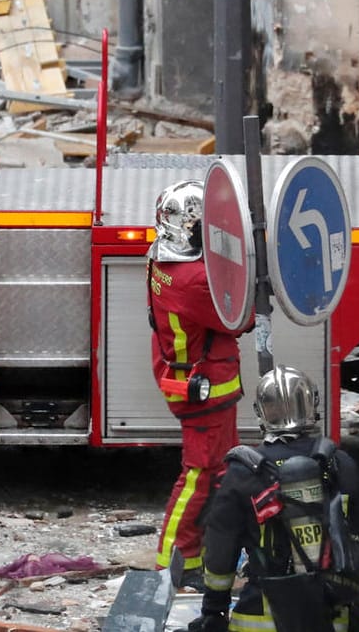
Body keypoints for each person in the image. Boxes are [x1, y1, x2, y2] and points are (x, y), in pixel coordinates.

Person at [189, 367, 359, 632]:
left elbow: (220, 547)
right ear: (311, 405)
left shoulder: (243, 473)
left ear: (261, 412)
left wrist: (214, 607)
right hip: (333, 614)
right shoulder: (339, 465)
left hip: (260, 619)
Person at [147, 179, 242, 584]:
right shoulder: (195, 279)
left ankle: (199, 551)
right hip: (206, 386)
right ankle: (173, 560)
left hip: (189, 377)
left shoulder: (160, 259)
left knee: (216, 472)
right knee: (200, 475)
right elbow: (239, 319)